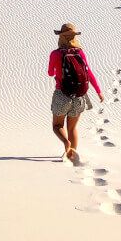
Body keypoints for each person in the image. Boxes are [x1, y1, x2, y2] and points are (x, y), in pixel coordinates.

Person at [47, 23, 104, 163]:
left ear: (61, 37)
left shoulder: (56, 54)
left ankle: (66, 144)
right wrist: (98, 92)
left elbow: (50, 73)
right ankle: (72, 155)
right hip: (80, 96)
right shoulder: (80, 53)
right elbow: (89, 73)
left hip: (62, 95)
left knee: (57, 126)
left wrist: (57, 70)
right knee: (72, 128)